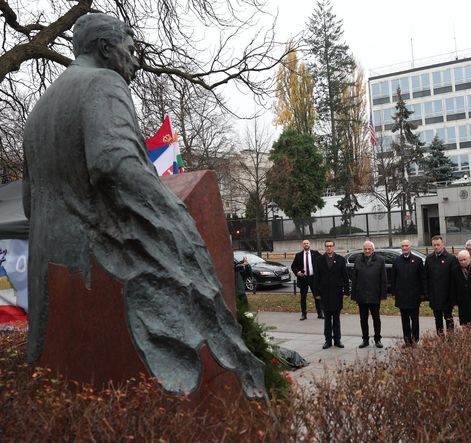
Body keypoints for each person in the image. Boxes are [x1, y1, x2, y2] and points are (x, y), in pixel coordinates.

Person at [21, 13, 264, 398]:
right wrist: (174, 216)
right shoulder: (103, 83)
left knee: (68, 400)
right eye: (130, 51)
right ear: (105, 48)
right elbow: (113, 163)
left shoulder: (37, 114)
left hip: (51, 279)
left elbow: (30, 203)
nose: (136, 62)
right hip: (99, 268)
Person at [314, 240, 349, 349]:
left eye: (331, 246)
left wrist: (346, 292)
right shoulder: (319, 260)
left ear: (334, 247)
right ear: (325, 247)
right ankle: (328, 340)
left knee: (336, 318)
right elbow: (316, 278)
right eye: (327, 246)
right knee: (327, 319)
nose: (329, 248)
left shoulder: (340, 259)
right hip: (324, 293)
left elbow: (345, 277)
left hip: (337, 293)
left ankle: (337, 340)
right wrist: (317, 293)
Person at [351, 240, 387, 348]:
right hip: (361, 295)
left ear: (373, 250)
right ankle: (365, 339)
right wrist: (354, 295)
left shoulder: (380, 260)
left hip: (374, 295)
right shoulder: (358, 260)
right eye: (365, 249)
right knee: (363, 319)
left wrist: (383, 295)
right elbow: (354, 279)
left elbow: (383, 279)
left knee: (376, 318)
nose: (367, 251)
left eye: (369, 249)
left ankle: (377, 339)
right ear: (363, 250)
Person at [391, 239, 426, 345]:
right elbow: (393, 279)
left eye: (406, 246)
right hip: (402, 297)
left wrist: (423, 294)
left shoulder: (417, 260)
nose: (404, 248)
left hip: (414, 296)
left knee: (415, 320)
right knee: (404, 320)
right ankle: (407, 341)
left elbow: (422, 278)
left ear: (410, 247)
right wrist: (394, 293)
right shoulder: (397, 261)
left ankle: (415, 340)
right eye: (403, 246)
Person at [424, 235, 457, 334]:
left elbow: (454, 279)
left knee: (448, 318)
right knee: (437, 319)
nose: (436, 247)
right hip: (434, 295)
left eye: (438, 245)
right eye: (434, 245)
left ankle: (451, 339)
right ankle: (440, 339)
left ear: (443, 245)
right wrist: (427, 293)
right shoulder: (429, 259)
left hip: (447, 296)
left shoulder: (451, 258)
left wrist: (453, 296)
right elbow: (426, 277)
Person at [291, 239, 322, 320]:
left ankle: (320, 313)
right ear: (302, 245)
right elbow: (293, 266)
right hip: (303, 279)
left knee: (317, 296)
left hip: (314, 278)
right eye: (304, 243)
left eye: (307, 243)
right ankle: (303, 314)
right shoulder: (298, 255)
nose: (306, 245)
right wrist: (297, 272)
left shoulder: (315, 253)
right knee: (303, 297)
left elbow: (323, 261)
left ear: (310, 244)